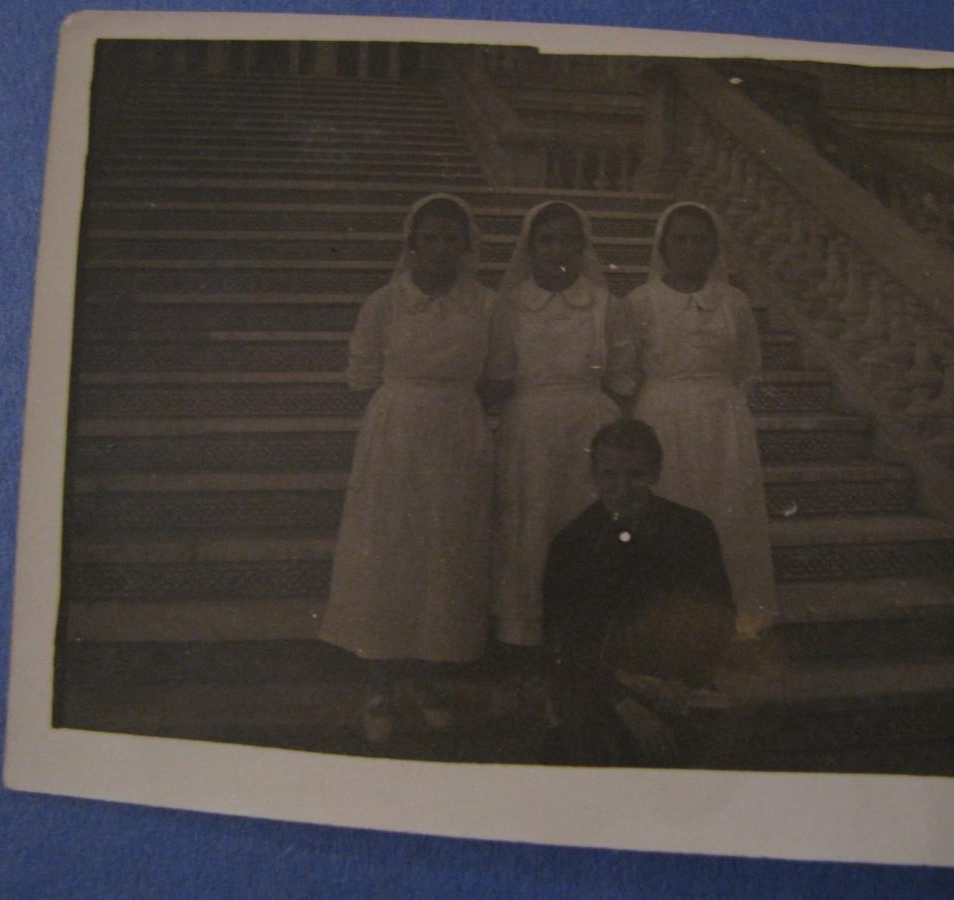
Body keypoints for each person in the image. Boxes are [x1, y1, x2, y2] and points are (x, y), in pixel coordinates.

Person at [319, 193, 497, 744]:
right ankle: (379, 680)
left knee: (447, 550)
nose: (441, 248)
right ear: (412, 244)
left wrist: (452, 411)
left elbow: (501, 371)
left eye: (452, 238)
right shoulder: (383, 304)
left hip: (458, 432)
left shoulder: (488, 306)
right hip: (395, 434)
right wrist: (402, 417)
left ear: (466, 247)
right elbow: (362, 376)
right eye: (430, 238)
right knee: (389, 551)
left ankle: (432, 676)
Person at [487, 201, 636, 653]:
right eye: (547, 239)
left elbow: (623, 380)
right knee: (530, 529)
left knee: (588, 528)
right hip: (529, 431)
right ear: (530, 247)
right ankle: (526, 639)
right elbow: (497, 375)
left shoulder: (606, 306)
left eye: (569, 238)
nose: (558, 249)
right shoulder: (510, 306)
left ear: (583, 245)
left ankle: (589, 634)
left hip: (589, 429)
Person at [543, 419, 734, 766]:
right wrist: (622, 702)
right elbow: (565, 642)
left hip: (677, 684)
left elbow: (719, 615)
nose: (622, 488)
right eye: (609, 475)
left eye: (635, 475)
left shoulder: (692, 530)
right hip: (601, 689)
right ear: (594, 475)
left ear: (656, 472)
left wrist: (683, 679)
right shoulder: (572, 543)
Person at [626, 201, 778, 633]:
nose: (690, 248)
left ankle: (733, 624)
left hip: (722, 422)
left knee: (727, 518)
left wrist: (725, 405)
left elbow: (749, 366)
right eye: (680, 239)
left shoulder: (735, 303)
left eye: (700, 239)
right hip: (661, 414)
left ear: (714, 247)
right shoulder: (640, 302)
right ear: (663, 246)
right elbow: (627, 368)